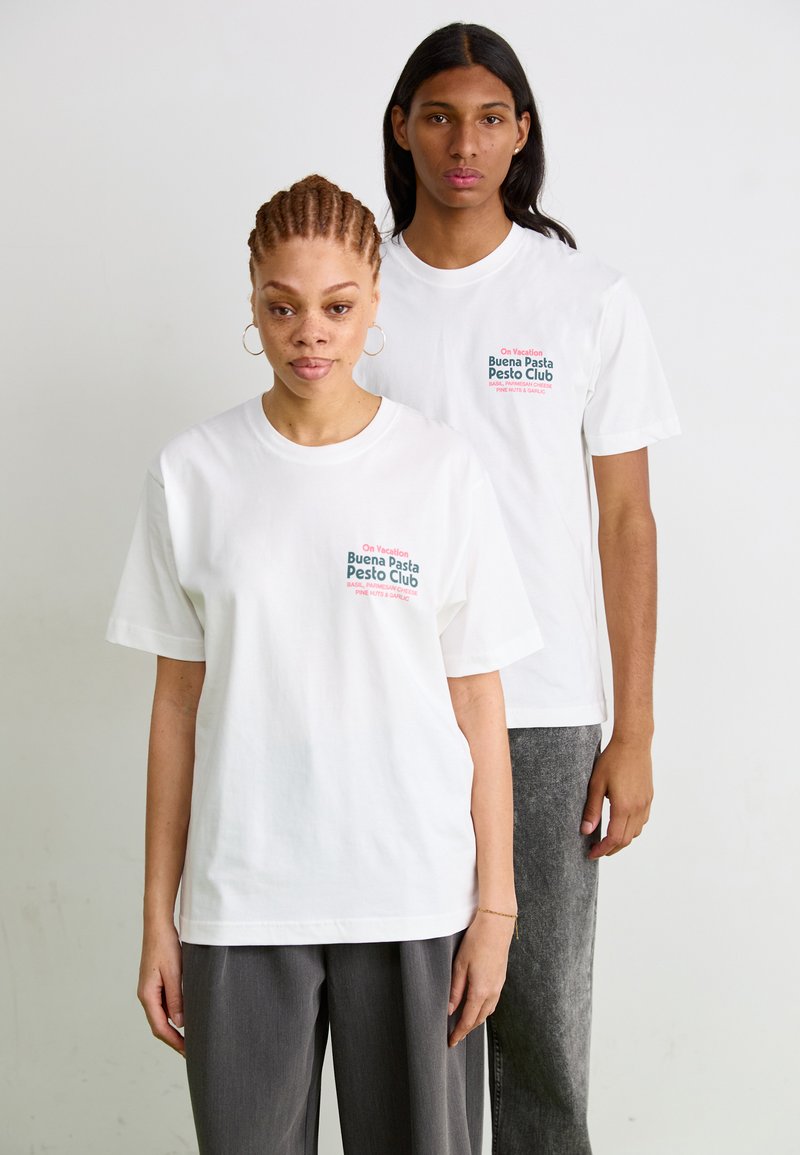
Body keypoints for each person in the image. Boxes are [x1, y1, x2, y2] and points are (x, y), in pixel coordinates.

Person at [106, 174, 544, 1155]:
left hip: (414, 892)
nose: (310, 333)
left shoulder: (439, 469)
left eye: (338, 308)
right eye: (282, 307)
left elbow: (478, 700)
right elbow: (176, 709)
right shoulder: (191, 474)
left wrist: (496, 907)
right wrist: (158, 920)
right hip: (241, 897)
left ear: (375, 301)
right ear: (253, 302)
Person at [354, 24, 680, 1154]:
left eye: (490, 119)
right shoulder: (354, 291)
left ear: (521, 132)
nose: (464, 144)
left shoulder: (583, 296)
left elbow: (627, 520)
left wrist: (632, 730)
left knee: (539, 1035)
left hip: (541, 712)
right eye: (440, 117)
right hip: (387, 702)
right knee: (415, 1032)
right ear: (402, 128)